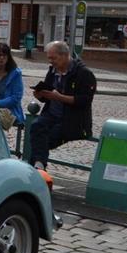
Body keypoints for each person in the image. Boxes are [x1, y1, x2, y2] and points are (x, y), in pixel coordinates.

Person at [29, 40, 97, 171]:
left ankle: (36, 169)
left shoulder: (83, 74)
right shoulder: (53, 71)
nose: (51, 61)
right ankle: (38, 168)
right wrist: (41, 96)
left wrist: (59, 97)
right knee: (36, 126)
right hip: (51, 115)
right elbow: (48, 96)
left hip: (71, 120)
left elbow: (84, 101)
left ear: (65, 55)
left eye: (53, 58)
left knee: (41, 142)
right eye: (49, 58)